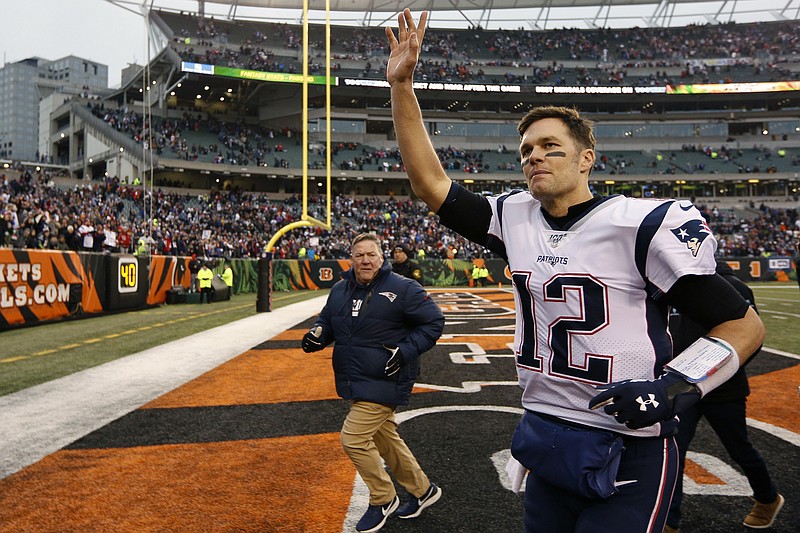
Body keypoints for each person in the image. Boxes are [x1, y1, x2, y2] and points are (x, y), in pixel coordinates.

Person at [385, 10, 765, 533]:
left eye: (549, 147)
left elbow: (744, 326)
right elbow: (431, 185)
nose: (533, 157)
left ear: (587, 158)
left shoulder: (640, 225)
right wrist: (401, 85)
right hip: (547, 432)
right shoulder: (513, 217)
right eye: (526, 151)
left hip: (629, 441)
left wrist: (674, 387)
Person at [301, 233, 444, 533]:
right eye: (359, 255)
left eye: (371, 254)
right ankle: (423, 490)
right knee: (385, 439)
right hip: (356, 377)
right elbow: (328, 320)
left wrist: (405, 351)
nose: (365, 260)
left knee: (352, 438)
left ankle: (382, 498)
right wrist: (317, 335)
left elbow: (434, 322)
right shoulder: (340, 289)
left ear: (382, 257)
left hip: (387, 378)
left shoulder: (404, 288)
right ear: (350, 258)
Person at [665, 261, 783, 532]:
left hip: (724, 387)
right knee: (674, 450)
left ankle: (767, 499)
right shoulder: (672, 282)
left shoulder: (734, 286)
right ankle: (670, 520)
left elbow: (750, 339)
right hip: (682, 383)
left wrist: (723, 370)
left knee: (739, 447)